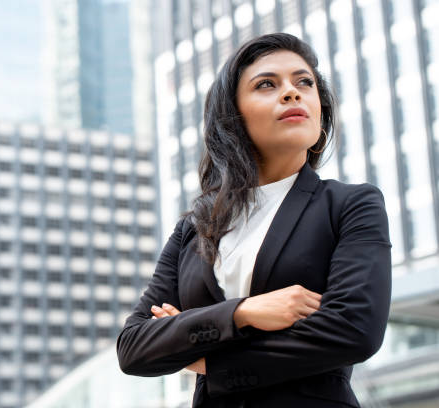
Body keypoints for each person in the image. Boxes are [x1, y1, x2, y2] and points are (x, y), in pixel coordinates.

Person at [116, 32, 391, 408]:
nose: (292, 93)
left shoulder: (350, 205)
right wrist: (245, 312)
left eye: (304, 82)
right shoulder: (195, 227)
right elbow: (133, 346)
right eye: (267, 84)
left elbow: (353, 330)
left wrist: (205, 357)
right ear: (232, 115)